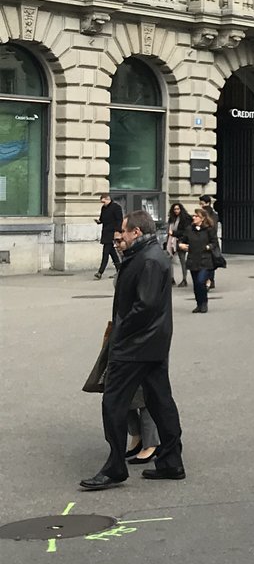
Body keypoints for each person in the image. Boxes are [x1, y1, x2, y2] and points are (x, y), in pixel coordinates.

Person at [79, 209, 185, 490]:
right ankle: (171, 461)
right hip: (151, 342)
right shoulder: (148, 255)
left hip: (136, 345)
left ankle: (116, 467)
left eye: (124, 231)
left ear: (136, 232)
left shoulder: (148, 259)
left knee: (114, 402)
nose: (120, 236)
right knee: (160, 400)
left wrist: (121, 332)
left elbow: (144, 306)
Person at [112, 227, 160, 464]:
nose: (117, 244)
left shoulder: (146, 261)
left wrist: (127, 328)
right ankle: (137, 436)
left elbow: (145, 306)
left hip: (140, 338)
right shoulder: (127, 262)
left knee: (144, 392)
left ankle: (151, 442)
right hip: (123, 335)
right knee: (123, 392)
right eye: (115, 241)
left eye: (120, 239)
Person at [179, 208, 219, 314]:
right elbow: (182, 240)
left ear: (203, 218)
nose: (194, 218)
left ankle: (204, 303)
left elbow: (214, 242)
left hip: (205, 260)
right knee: (196, 284)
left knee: (201, 281)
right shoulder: (189, 229)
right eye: (194, 216)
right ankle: (199, 304)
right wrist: (181, 245)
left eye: (196, 216)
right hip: (193, 259)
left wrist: (208, 247)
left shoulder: (209, 229)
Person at [94, 193, 123, 280]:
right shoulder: (104, 208)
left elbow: (119, 220)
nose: (103, 204)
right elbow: (102, 219)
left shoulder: (116, 207)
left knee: (105, 253)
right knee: (112, 253)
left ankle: (100, 272)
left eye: (104, 202)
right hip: (106, 232)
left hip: (112, 233)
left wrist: (117, 231)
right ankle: (120, 271)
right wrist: (99, 221)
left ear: (108, 199)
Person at [165, 202, 190, 288]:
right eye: (174, 209)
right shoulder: (172, 219)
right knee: (169, 259)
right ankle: (171, 278)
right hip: (171, 241)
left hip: (181, 241)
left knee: (182, 260)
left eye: (178, 209)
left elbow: (186, 231)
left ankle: (184, 279)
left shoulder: (185, 218)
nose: (176, 211)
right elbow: (168, 230)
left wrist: (174, 233)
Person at [199, 194, 219, 289]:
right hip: (211, 240)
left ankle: (209, 280)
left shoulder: (208, 214)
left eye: (202, 203)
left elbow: (212, 227)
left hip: (208, 240)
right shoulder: (214, 214)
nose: (201, 205)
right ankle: (210, 280)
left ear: (207, 203)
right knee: (211, 261)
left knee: (209, 261)